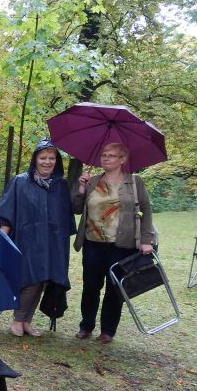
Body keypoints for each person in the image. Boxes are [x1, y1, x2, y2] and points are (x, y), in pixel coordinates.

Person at [72, 142, 155, 344]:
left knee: (115, 287)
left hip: (122, 245)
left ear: (122, 159)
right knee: (91, 286)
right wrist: (81, 188)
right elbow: (76, 208)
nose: (106, 158)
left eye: (112, 155)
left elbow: (146, 210)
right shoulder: (92, 181)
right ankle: (86, 325)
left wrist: (147, 240)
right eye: (104, 155)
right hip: (93, 242)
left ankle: (108, 330)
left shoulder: (134, 182)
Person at [0, 139, 75, 336]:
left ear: (56, 161)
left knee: (44, 279)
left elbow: (66, 214)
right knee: (30, 279)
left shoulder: (60, 185)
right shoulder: (20, 182)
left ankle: (26, 321)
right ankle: (18, 320)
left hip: (52, 240)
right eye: (43, 158)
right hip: (27, 238)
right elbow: (8, 211)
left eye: (51, 158)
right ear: (35, 160)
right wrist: (2, 237)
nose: (47, 162)